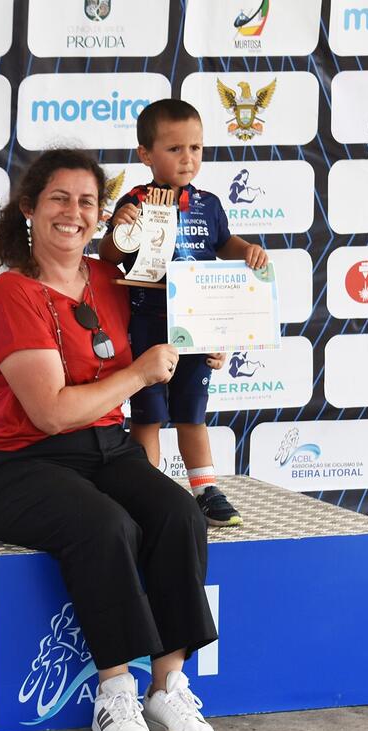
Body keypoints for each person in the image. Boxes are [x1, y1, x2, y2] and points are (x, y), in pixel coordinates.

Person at [0, 148, 219, 731]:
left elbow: (177, 325)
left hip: (107, 449)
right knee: (106, 525)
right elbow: (51, 412)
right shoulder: (11, 294)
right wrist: (137, 374)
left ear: (100, 214)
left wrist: (208, 339)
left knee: (179, 514)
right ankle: (115, 690)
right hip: (16, 465)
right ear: (29, 208)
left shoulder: (113, 278)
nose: (73, 213)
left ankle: (167, 686)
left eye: (86, 202)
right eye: (59, 198)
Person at [99, 98, 269, 528]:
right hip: (147, 326)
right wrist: (121, 228)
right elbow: (109, 256)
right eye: (175, 149)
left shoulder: (209, 203)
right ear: (146, 154)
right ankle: (146, 491)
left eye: (195, 148)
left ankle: (205, 490)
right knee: (148, 415)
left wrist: (247, 251)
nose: (187, 158)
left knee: (192, 413)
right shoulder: (134, 201)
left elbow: (224, 244)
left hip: (197, 327)